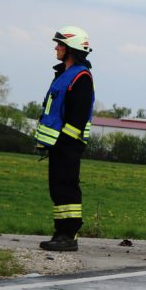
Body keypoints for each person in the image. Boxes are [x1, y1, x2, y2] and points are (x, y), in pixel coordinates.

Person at [34, 26, 95, 252]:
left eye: (59, 44)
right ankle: (60, 233)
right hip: (58, 144)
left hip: (68, 144)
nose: (56, 48)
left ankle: (69, 236)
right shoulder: (63, 74)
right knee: (57, 189)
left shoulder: (81, 76)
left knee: (67, 188)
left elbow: (78, 116)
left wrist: (63, 142)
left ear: (70, 49)